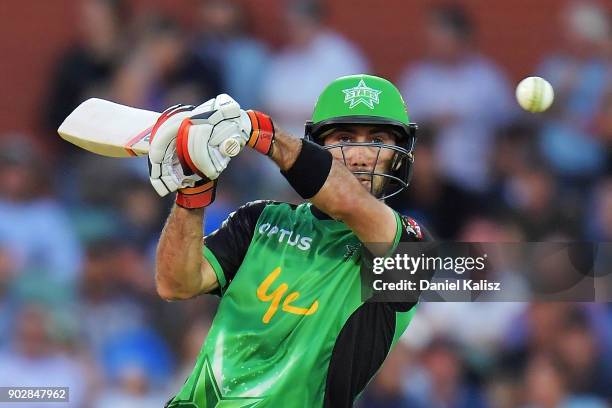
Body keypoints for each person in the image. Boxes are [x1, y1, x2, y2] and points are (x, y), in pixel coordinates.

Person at [147, 74, 431, 407]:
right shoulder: (260, 221)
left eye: (378, 140)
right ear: (318, 147)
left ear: (398, 155)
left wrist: (261, 133)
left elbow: (347, 201)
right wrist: (191, 190)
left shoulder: (412, 248)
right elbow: (175, 284)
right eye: (344, 137)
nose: (359, 156)